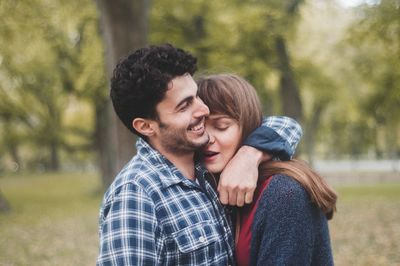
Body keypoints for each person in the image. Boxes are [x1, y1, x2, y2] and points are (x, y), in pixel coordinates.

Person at [96, 44, 301, 265]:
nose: (203, 110)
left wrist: (248, 156)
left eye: (196, 96)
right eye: (185, 106)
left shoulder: (207, 165)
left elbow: (286, 125)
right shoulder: (136, 196)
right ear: (146, 126)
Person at [197, 74, 337, 266]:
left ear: (248, 129)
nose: (208, 138)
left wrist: (248, 154)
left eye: (221, 126)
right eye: (199, 128)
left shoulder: (283, 194)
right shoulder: (207, 184)